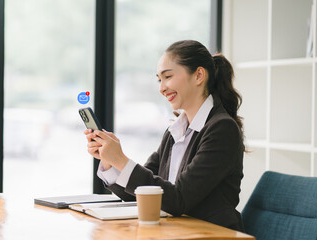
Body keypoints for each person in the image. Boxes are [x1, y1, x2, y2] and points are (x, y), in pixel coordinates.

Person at [84, 40, 245, 231]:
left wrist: (121, 159)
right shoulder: (175, 131)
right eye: (159, 80)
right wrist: (110, 161)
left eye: (167, 76)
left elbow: (179, 200)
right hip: (178, 231)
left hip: (211, 234)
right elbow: (139, 193)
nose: (161, 88)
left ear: (199, 75)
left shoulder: (222, 129)